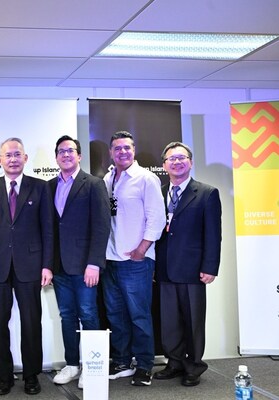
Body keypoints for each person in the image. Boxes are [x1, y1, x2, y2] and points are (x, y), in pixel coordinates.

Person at [0, 137, 54, 396]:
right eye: (7, 155)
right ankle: (3, 376)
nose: (12, 159)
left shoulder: (41, 187)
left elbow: (48, 229)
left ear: (25, 158)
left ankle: (32, 375)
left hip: (31, 266)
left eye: (17, 154)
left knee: (32, 323)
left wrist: (47, 265)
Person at [153, 142, 222, 387]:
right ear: (164, 165)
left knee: (193, 321)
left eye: (182, 158)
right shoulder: (159, 192)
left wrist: (210, 266)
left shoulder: (206, 193)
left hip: (193, 269)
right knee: (169, 321)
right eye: (171, 159)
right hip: (164, 268)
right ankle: (174, 362)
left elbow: (213, 234)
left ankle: (193, 366)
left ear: (190, 162)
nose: (177, 162)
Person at [102, 131, 166, 387]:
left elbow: (157, 219)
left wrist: (142, 249)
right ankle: (121, 361)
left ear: (134, 150)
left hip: (136, 261)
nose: (122, 152)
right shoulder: (108, 179)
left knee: (139, 316)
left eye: (127, 148)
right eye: (117, 148)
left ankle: (144, 365)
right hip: (111, 260)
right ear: (110, 152)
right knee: (115, 315)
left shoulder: (145, 179)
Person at [48, 135, 110, 389]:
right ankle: (72, 364)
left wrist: (95, 263)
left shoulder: (93, 184)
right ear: (56, 157)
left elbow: (102, 225)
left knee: (89, 314)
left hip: (86, 265)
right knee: (67, 316)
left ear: (79, 156)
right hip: (60, 265)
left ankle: (91, 366)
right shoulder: (49, 186)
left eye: (70, 151)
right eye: (61, 151)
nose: (66, 155)